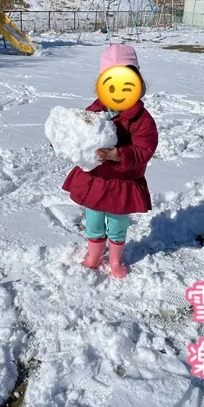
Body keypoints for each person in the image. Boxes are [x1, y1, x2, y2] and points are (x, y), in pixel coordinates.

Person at [62, 43, 159, 278]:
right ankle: (94, 256)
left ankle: (115, 260)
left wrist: (119, 155)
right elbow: (77, 134)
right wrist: (63, 139)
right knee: (94, 222)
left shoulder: (141, 119)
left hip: (121, 183)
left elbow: (145, 148)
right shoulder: (93, 112)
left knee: (117, 227)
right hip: (95, 180)